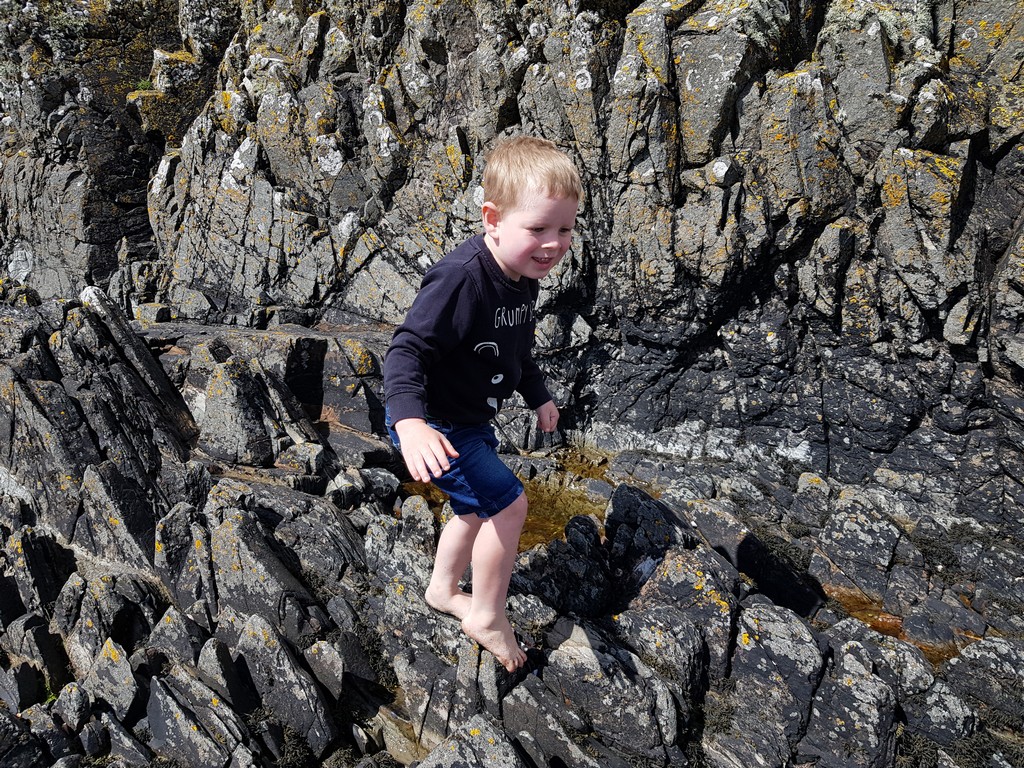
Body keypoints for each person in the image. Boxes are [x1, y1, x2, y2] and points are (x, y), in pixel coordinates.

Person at [383, 135, 581, 672]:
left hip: (468, 419)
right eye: (538, 228)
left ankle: (443, 590)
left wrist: (538, 396)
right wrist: (411, 424)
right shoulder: (461, 278)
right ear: (492, 219)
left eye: (565, 229)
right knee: (509, 505)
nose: (553, 244)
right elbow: (406, 351)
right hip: (435, 422)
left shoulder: (523, 275)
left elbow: (517, 349)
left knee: (473, 507)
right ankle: (487, 616)